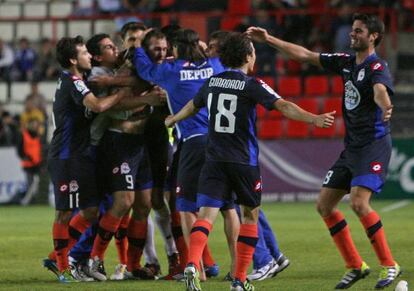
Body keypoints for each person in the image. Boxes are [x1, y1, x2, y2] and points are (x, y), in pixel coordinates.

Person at [165, 32, 334, 291]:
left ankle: (192, 264)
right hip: (243, 161)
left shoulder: (212, 82)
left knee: (206, 215)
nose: (255, 55)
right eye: (253, 51)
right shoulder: (250, 84)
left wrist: (174, 119)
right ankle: (240, 280)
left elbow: (193, 105)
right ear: (247, 56)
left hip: (214, 160)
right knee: (249, 216)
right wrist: (313, 118)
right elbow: (283, 106)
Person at [247, 13, 401, 290]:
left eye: (359, 31)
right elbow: (305, 55)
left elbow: (380, 90)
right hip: (352, 148)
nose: (352, 34)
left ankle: (389, 266)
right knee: (324, 206)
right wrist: (268, 39)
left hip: (373, 145)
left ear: (373, 36)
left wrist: (385, 104)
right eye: (353, 30)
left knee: (358, 203)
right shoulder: (346, 62)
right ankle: (355, 266)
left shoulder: (377, 66)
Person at [134, 28, 225, 281]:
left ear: (175, 49)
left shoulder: (170, 71)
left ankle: (197, 269)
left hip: (193, 143)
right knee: (228, 209)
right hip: (221, 142)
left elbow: (143, 69)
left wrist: (139, 44)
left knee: (184, 207)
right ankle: (237, 270)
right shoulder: (215, 64)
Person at [207, 30, 290, 282]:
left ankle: (262, 260)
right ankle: (273, 256)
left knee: (243, 209)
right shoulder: (221, 76)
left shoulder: (219, 77)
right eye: (209, 47)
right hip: (235, 152)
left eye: (214, 48)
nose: (210, 52)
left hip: (229, 152)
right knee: (250, 208)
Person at [48, 35, 128, 283]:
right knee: (64, 212)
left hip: (80, 155)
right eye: (84, 53)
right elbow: (98, 106)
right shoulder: (73, 82)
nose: (89, 56)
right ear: (73, 59)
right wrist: (122, 93)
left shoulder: (75, 81)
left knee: (91, 210)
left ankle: (55, 257)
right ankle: (62, 267)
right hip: (66, 155)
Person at [16, 118, 42, 206]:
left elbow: (39, 149)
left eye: (36, 124)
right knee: (30, 183)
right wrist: (25, 157)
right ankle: (25, 201)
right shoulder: (23, 135)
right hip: (28, 164)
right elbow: (20, 150)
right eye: (33, 124)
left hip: (36, 163)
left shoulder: (37, 135)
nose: (35, 126)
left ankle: (32, 200)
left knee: (35, 184)